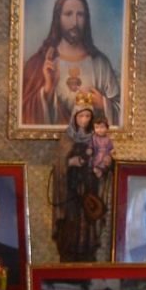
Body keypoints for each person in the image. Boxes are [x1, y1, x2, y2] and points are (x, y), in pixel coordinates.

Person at [20, 0, 121, 126]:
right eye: (68, 14)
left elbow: (123, 112)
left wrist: (103, 104)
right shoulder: (39, 63)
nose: (75, 22)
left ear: (86, 19)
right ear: (58, 18)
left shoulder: (100, 63)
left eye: (80, 15)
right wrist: (47, 90)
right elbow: (21, 114)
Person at [50, 96, 111, 262]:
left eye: (88, 116)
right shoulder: (67, 139)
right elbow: (58, 165)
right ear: (74, 117)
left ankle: (88, 256)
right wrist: (70, 162)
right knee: (71, 223)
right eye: (81, 116)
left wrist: (104, 165)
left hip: (90, 188)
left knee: (89, 225)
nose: (84, 120)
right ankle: (69, 256)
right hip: (71, 190)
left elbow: (104, 158)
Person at [90, 112, 114, 178]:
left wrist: (111, 152)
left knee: (105, 161)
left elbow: (110, 147)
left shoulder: (108, 138)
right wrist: (90, 149)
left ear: (107, 128)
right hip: (97, 154)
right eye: (97, 127)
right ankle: (97, 169)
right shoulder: (94, 138)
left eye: (102, 127)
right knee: (95, 160)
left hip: (105, 154)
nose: (99, 130)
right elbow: (91, 145)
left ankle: (101, 170)